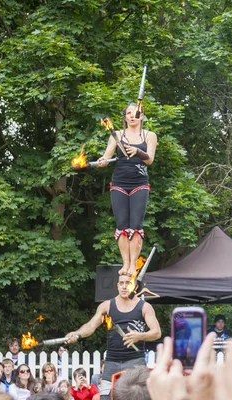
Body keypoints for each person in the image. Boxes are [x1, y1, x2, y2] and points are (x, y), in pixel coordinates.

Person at [65, 274, 162, 400]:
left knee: (138, 396)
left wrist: (140, 336)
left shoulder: (144, 307)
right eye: (121, 283)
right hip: (112, 360)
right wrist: (77, 334)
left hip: (135, 361)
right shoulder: (107, 305)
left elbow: (157, 332)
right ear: (117, 286)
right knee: (105, 396)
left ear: (135, 286)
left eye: (128, 283)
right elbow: (90, 326)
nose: (124, 286)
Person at [96, 103, 157, 277]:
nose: (132, 116)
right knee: (122, 224)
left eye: (135, 113)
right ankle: (126, 263)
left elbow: (150, 160)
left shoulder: (149, 135)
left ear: (142, 116)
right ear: (124, 117)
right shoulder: (117, 135)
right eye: (128, 113)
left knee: (135, 225)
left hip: (139, 183)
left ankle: (133, 266)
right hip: (119, 183)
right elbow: (107, 155)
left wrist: (138, 151)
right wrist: (103, 160)